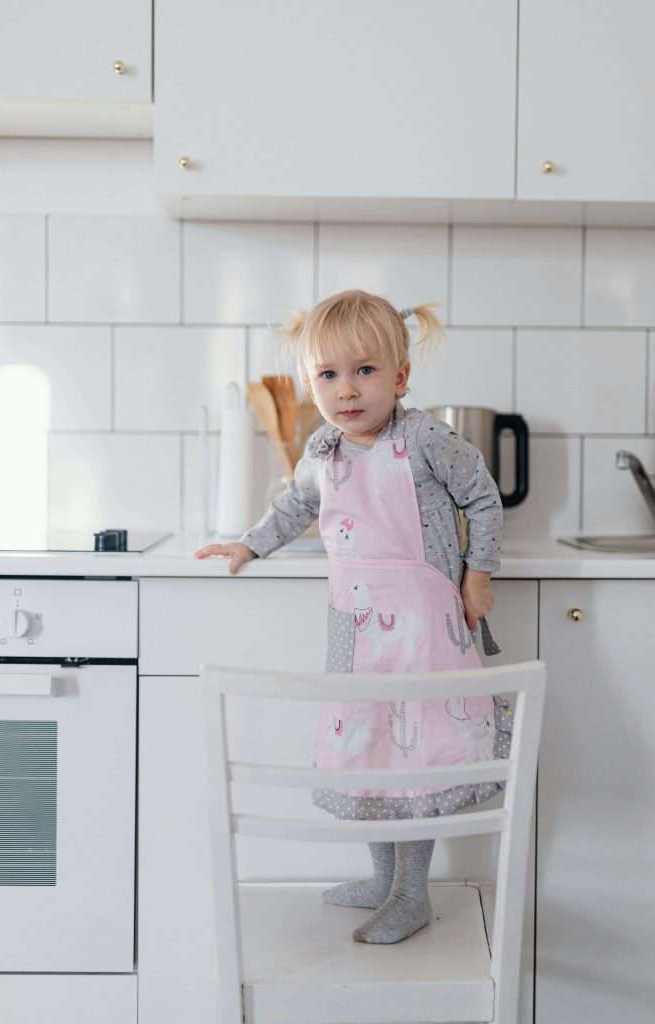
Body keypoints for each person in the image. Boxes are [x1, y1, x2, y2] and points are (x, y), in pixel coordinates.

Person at [195, 288, 511, 945]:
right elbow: (293, 509)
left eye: (364, 371)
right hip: (356, 626)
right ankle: (379, 877)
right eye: (329, 374)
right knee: (366, 749)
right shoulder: (322, 450)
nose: (346, 390)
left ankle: (411, 891)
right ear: (313, 383)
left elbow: (482, 497)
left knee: (418, 757)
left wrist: (477, 575)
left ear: (399, 377)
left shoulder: (423, 438)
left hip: (424, 627)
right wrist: (249, 542)